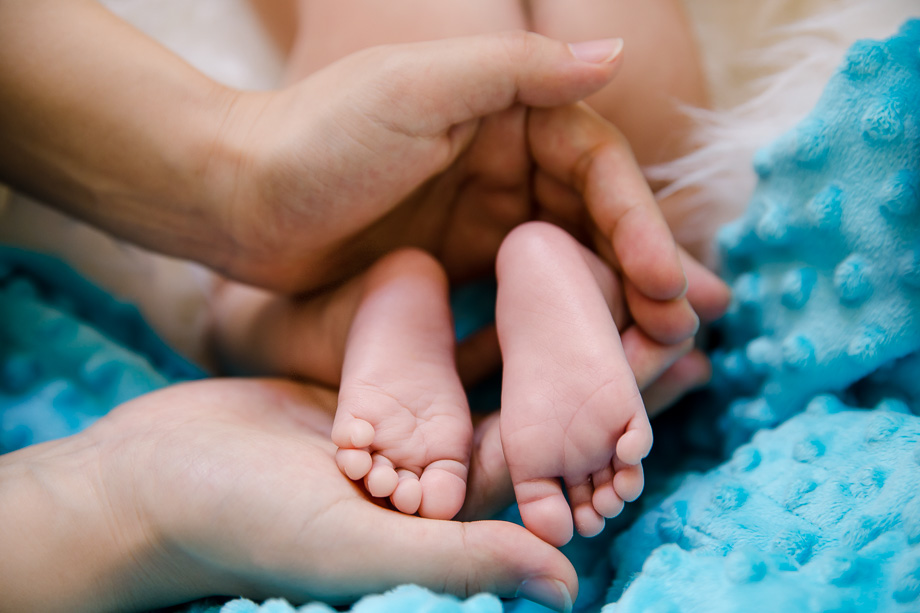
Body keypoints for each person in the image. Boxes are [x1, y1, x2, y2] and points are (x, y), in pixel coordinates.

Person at [0, 1, 727, 610]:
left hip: (401, 87)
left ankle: (383, 297)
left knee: (248, 319)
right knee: (665, 233)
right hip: (596, 73)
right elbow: (705, 297)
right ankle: (571, 271)